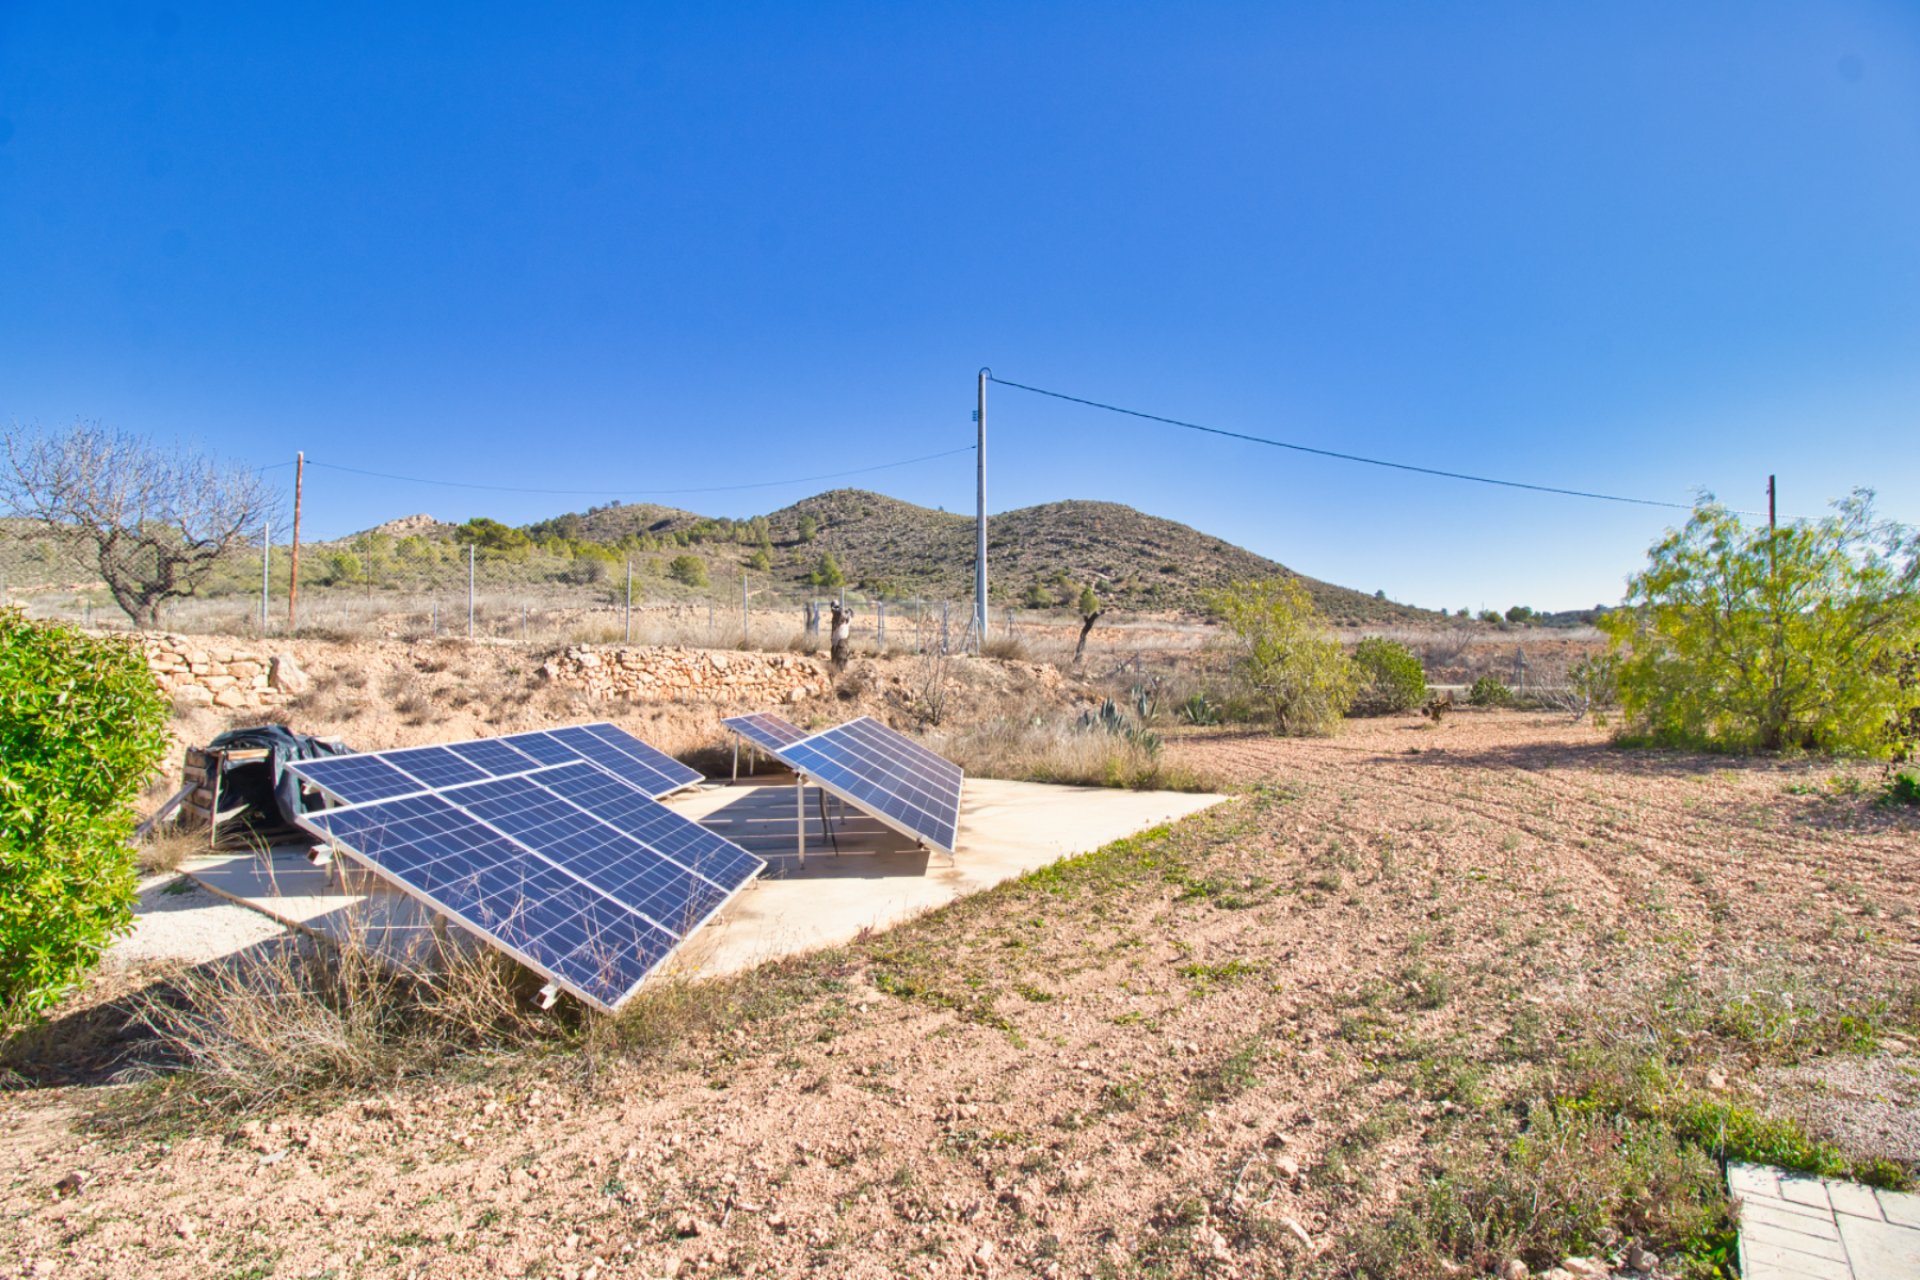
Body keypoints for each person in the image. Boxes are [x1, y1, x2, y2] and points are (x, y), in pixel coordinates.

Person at [829, 600, 852, 666]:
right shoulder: (846, 616)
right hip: (841, 639)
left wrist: (836, 609)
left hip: (840, 640)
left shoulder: (840, 614)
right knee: (838, 655)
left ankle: (839, 670)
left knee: (840, 656)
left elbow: (838, 612)